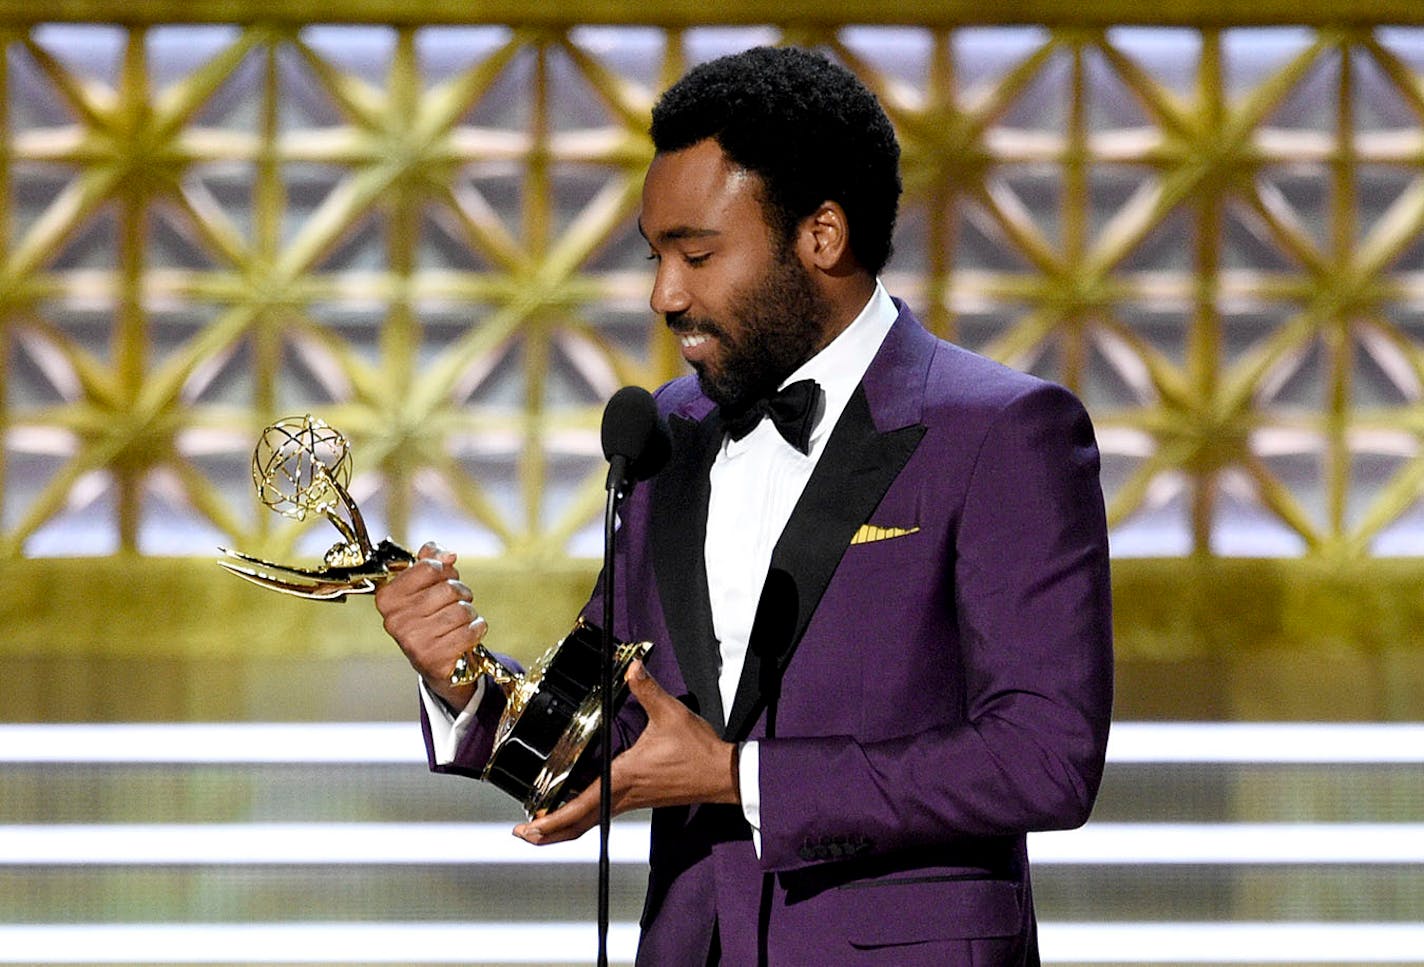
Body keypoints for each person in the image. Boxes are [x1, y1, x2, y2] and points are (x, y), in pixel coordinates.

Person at [375, 45, 1113, 966]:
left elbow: (1044, 757)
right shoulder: (668, 431)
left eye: (697, 254)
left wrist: (740, 777)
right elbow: (613, 723)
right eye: (656, 256)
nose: (663, 293)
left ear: (822, 236)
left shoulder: (1002, 433)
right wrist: (462, 679)